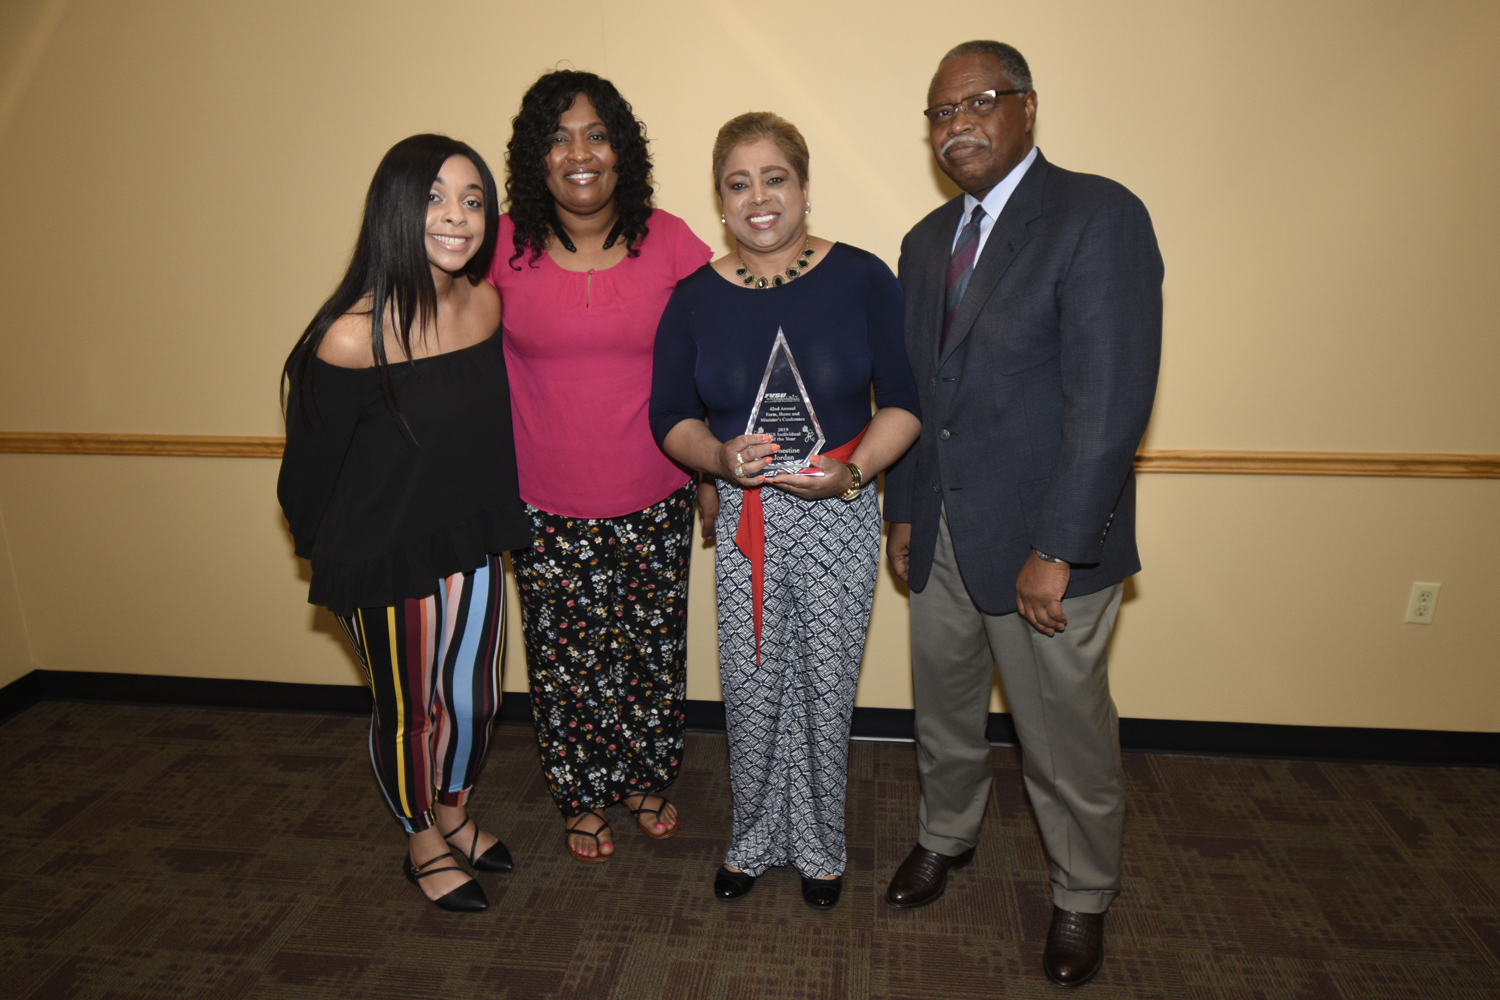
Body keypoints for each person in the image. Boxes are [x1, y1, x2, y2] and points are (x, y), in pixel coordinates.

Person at [883, 41, 1163, 986]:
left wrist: (1058, 547)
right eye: (940, 112)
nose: (957, 125)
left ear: (1027, 109)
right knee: (946, 713)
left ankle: (1082, 895)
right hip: (946, 538)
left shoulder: (1096, 217)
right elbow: (922, 396)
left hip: (1046, 547)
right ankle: (944, 837)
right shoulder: (925, 244)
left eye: (978, 103)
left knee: (1064, 739)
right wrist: (906, 511)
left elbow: (1109, 402)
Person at [651, 112, 921, 910]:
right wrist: (717, 459)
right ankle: (752, 839)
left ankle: (821, 847)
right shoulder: (693, 299)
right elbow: (671, 416)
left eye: (775, 178)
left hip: (840, 511)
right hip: (748, 520)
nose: (758, 197)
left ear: (804, 187)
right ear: (720, 199)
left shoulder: (864, 277)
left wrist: (851, 473)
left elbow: (903, 403)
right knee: (754, 684)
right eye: (739, 183)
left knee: (825, 686)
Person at [278, 134, 531, 913]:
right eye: (434, 198)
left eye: (473, 199)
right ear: (394, 208)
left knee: (477, 699)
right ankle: (422, 838)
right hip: (383, 556)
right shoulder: (351, 335)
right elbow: (305, 480)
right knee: (412, 712)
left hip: (471, 539)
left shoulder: (486, 304)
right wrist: (341, 569)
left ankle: (456, 813)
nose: (457, 217)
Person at [490, 70, 712, 864]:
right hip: (544, 501)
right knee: (564, 657)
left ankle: (647, 776)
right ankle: (583, 793)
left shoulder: (672, 240)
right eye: (558, 137)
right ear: (535, 157)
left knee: (651, 647)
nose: (578, 153)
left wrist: (713, 474)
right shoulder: (501, 249)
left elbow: (712, 362)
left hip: (657, 490)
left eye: (595, 134)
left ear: (622, 152)